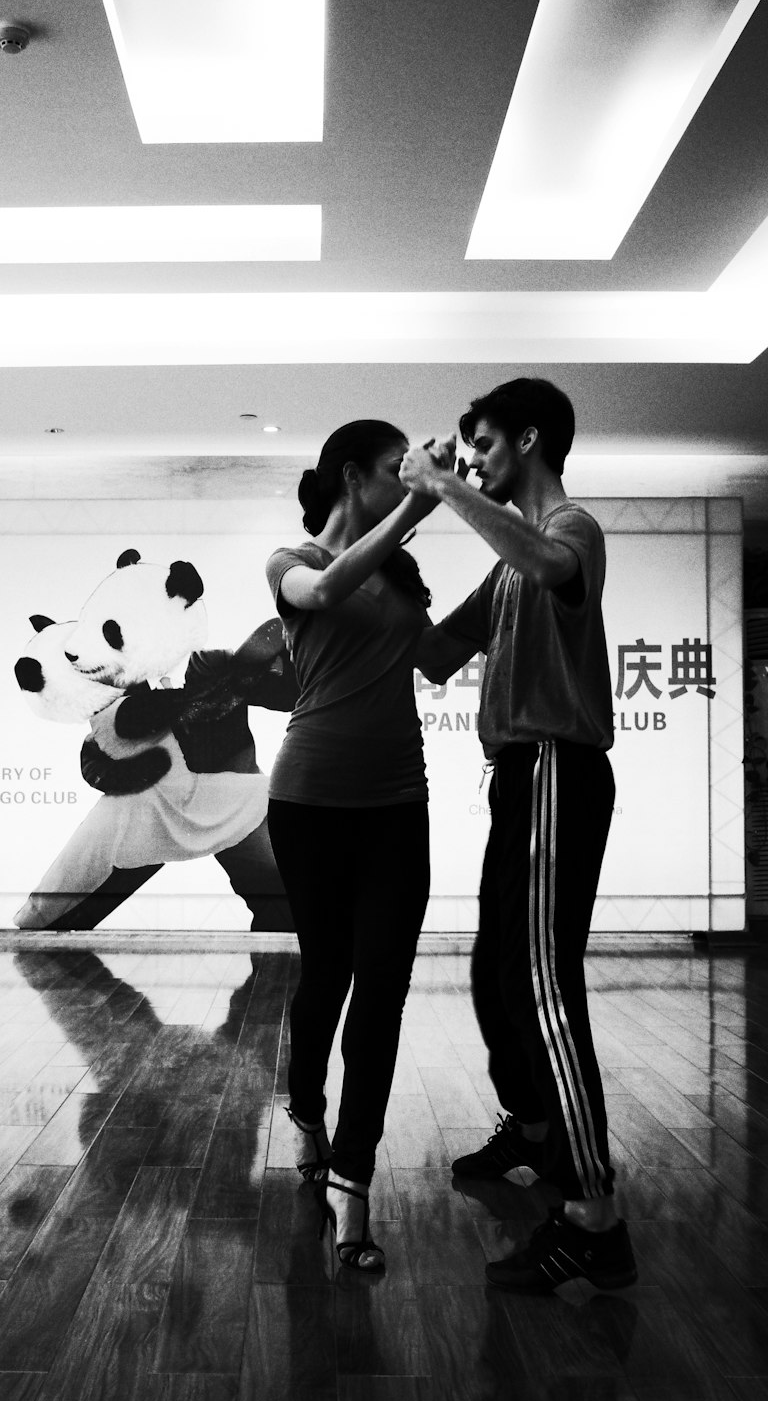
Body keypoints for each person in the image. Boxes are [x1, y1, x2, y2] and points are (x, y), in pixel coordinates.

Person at [399, 377, 637, 1294]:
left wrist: (447, 488)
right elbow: (429, 652)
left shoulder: (571, 531)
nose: (478, 463)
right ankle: (536, 1131)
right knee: (497, 973)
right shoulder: (502, 566)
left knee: (540, 984)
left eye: (487, 447)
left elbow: (544, 561)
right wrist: (397, 530)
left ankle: (594, 1220)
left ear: (530, 439)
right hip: (518, 782)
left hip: (555, 772)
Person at [266, 419, 444, 1273]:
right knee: (326, 974)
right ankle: (305, 1106)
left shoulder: (404, 574)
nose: (406, 474)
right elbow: (328, 589)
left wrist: (510, 560)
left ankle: (353, 1180)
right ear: (353, 475)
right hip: (308, 802)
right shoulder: (289, 560)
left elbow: (440, 657)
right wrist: (418, 501)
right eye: (391, 467)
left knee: (383, 991)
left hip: (396, 805)